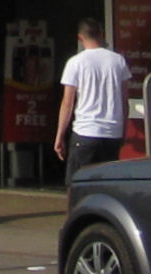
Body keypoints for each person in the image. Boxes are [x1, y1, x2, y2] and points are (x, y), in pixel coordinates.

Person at [54, 18, 131, 180]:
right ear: (101, 34)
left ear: (80, 38)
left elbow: (68, 103)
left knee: (78, 183)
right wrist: (123, 131)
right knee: (108, 183)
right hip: (112, 134)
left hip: (85, 132)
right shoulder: (118, 61)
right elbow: (124, 101)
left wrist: (60, 136)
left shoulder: (75, 63)